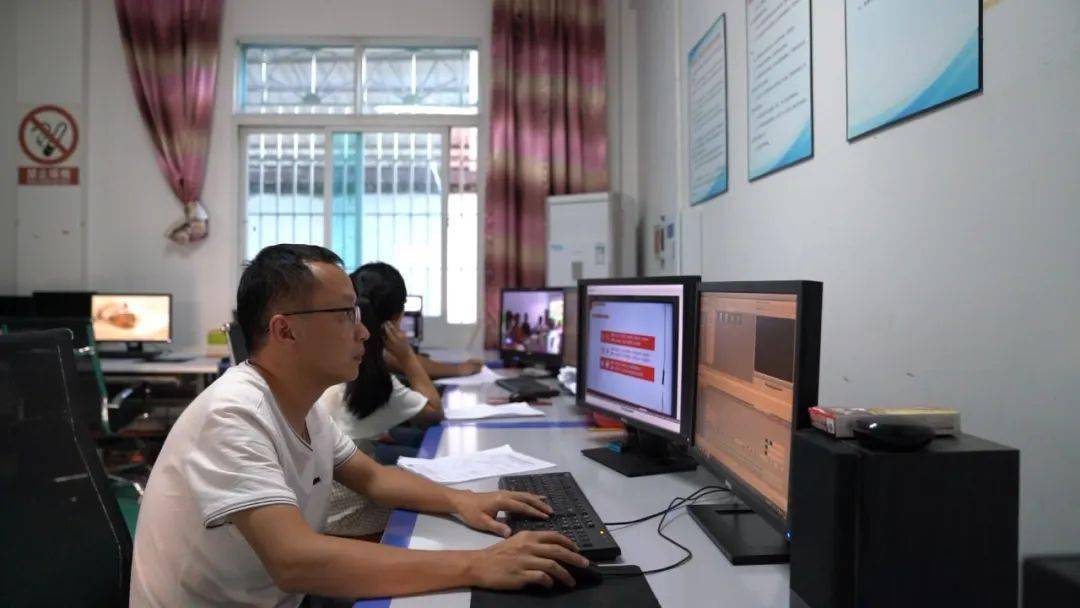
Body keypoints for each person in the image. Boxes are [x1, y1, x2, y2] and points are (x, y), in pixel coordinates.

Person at [130, 244, 587, 607]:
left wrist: (463, 500)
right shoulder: (232, 415)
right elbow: (295, 561)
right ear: (286, 331)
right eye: (345, 314)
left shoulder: (301, 404)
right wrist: (477, 564)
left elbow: (373, 478)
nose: (364, 331)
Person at [324, 262, 440, 464]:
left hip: (326, 455)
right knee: (433, 451)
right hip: (341, 465)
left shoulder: (330, 350)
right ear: (395, 318)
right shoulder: (371, 375)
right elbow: (434, 412)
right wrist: (407, 355)